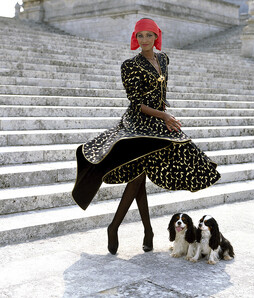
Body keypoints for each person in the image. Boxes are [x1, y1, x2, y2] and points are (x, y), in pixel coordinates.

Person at [72, 18, 221, 255]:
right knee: (137, 176)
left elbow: (162, 92)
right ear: (135, 38)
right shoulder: (129, 65)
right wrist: (164, 115)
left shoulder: (163, 59)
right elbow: (137, 103)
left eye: (149, 35)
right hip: (139, 123)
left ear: (156, 36)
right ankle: (119, 228)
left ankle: (142, 230)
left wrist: (165, 116)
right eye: (140, 35)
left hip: (160, 122)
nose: (144, 40)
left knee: (140, 177)